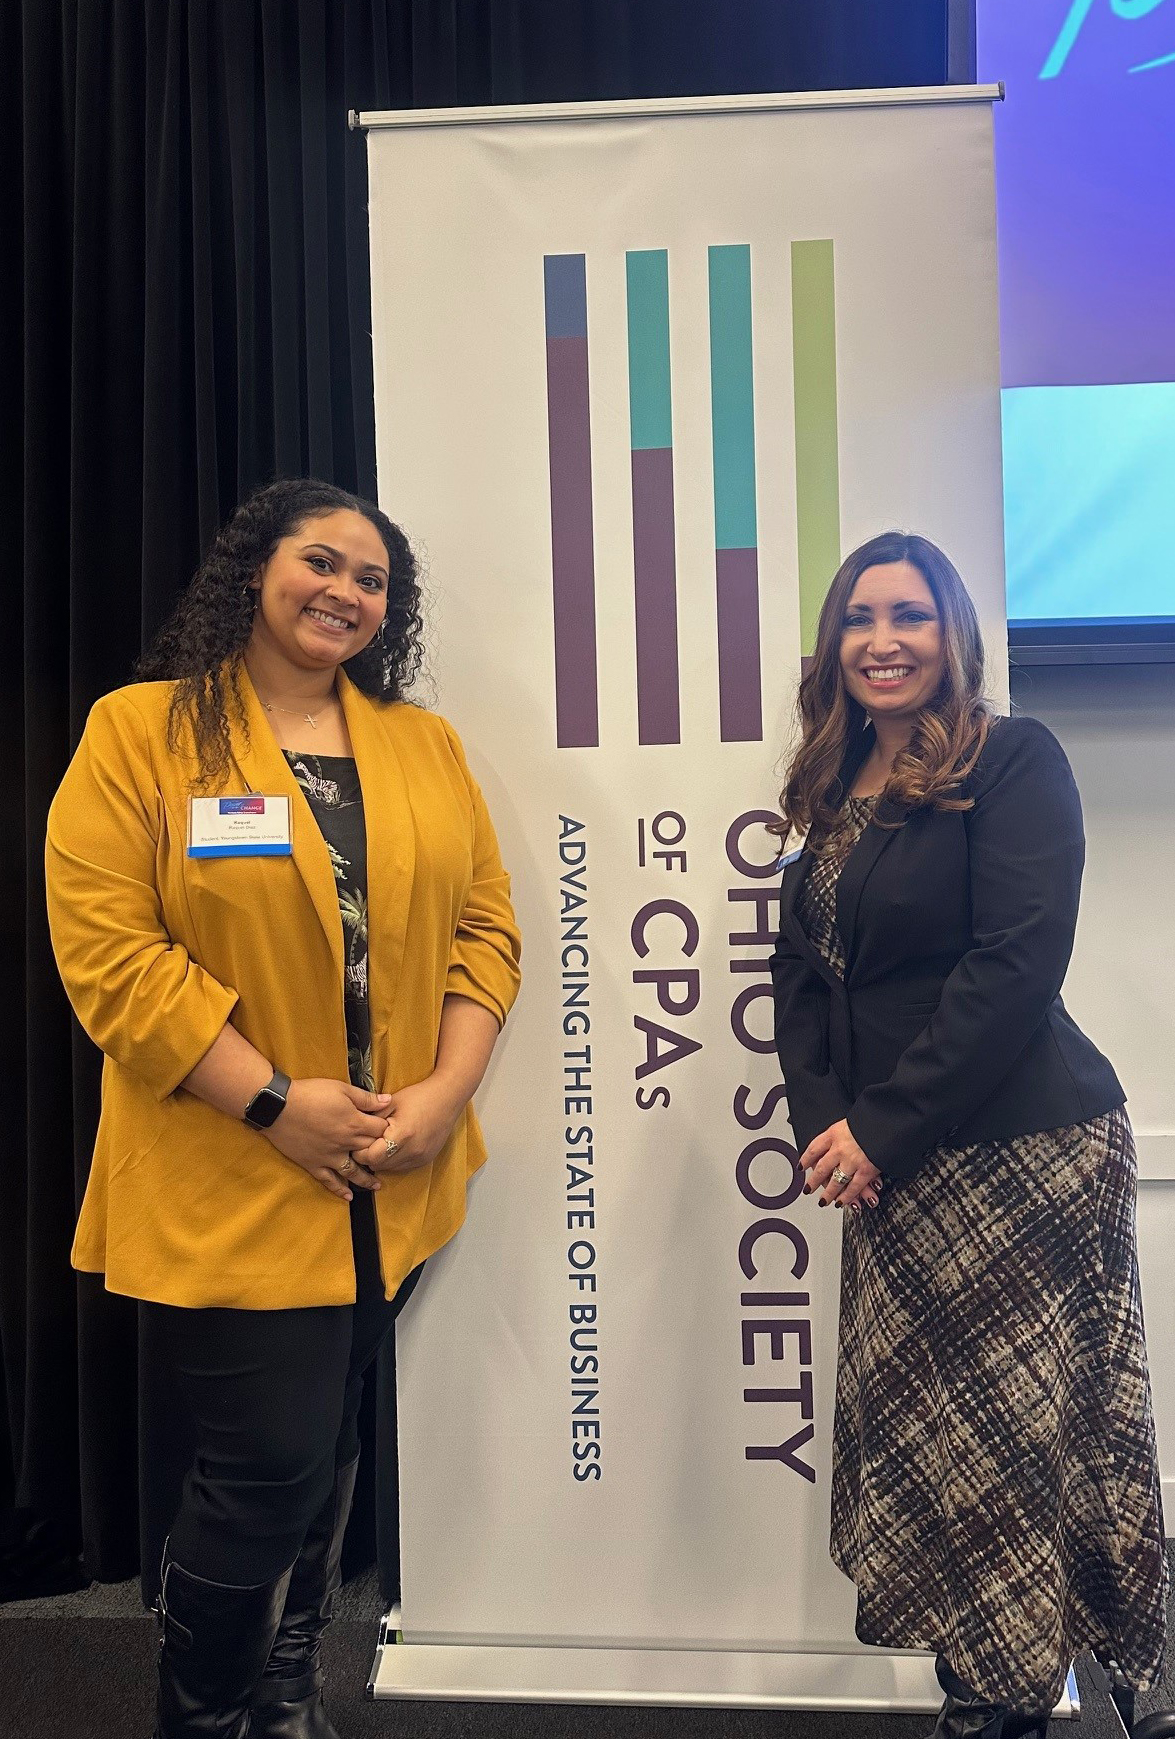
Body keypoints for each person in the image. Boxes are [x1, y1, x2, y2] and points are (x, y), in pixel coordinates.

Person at [45, 478, 521, 1739]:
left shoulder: (420, 744)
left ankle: (283, 1692)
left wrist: (444, 1091)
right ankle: (205, 1717)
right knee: (262, 1468)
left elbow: (485, 928)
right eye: (322, 561)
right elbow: (110, 954)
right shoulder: (142, 732)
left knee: (324, 1444)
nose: (344, 591)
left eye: (372, 579)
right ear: (253, 568)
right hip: (234, 1171)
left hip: (392, 1175)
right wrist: (272, 1102)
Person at [769, 531, 1166, 1739]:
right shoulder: (831, 785)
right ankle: (986, 1680)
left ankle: (1007, 1698)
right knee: (932, 1437)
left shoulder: (1010, 758)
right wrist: (825, 1124)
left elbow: (1013, 963)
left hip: (1021, 1150)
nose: (881, 640)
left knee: (1015, 1437)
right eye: (858, 618)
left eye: (909, 615)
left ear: (953, 635)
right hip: (894, 1164)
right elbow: (801, 979)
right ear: (833, 644)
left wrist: (876, 1126)